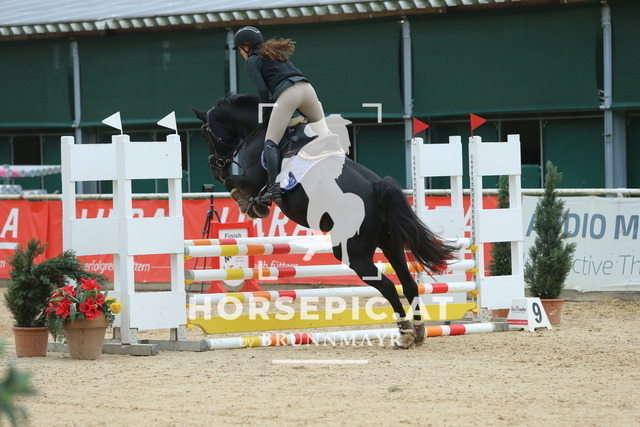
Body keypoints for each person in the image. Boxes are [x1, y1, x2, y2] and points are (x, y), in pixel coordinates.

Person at [234, 26, 332, 204]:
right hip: (307, 90)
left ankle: (274, 189)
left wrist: (265, 112)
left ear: (245, 46)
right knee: (325, 136)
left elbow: (262, 90)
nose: (240, 54)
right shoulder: (273, 54)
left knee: (270, 142)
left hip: (289, 94)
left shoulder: (252, 61)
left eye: (239, 49)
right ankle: (343, 166)